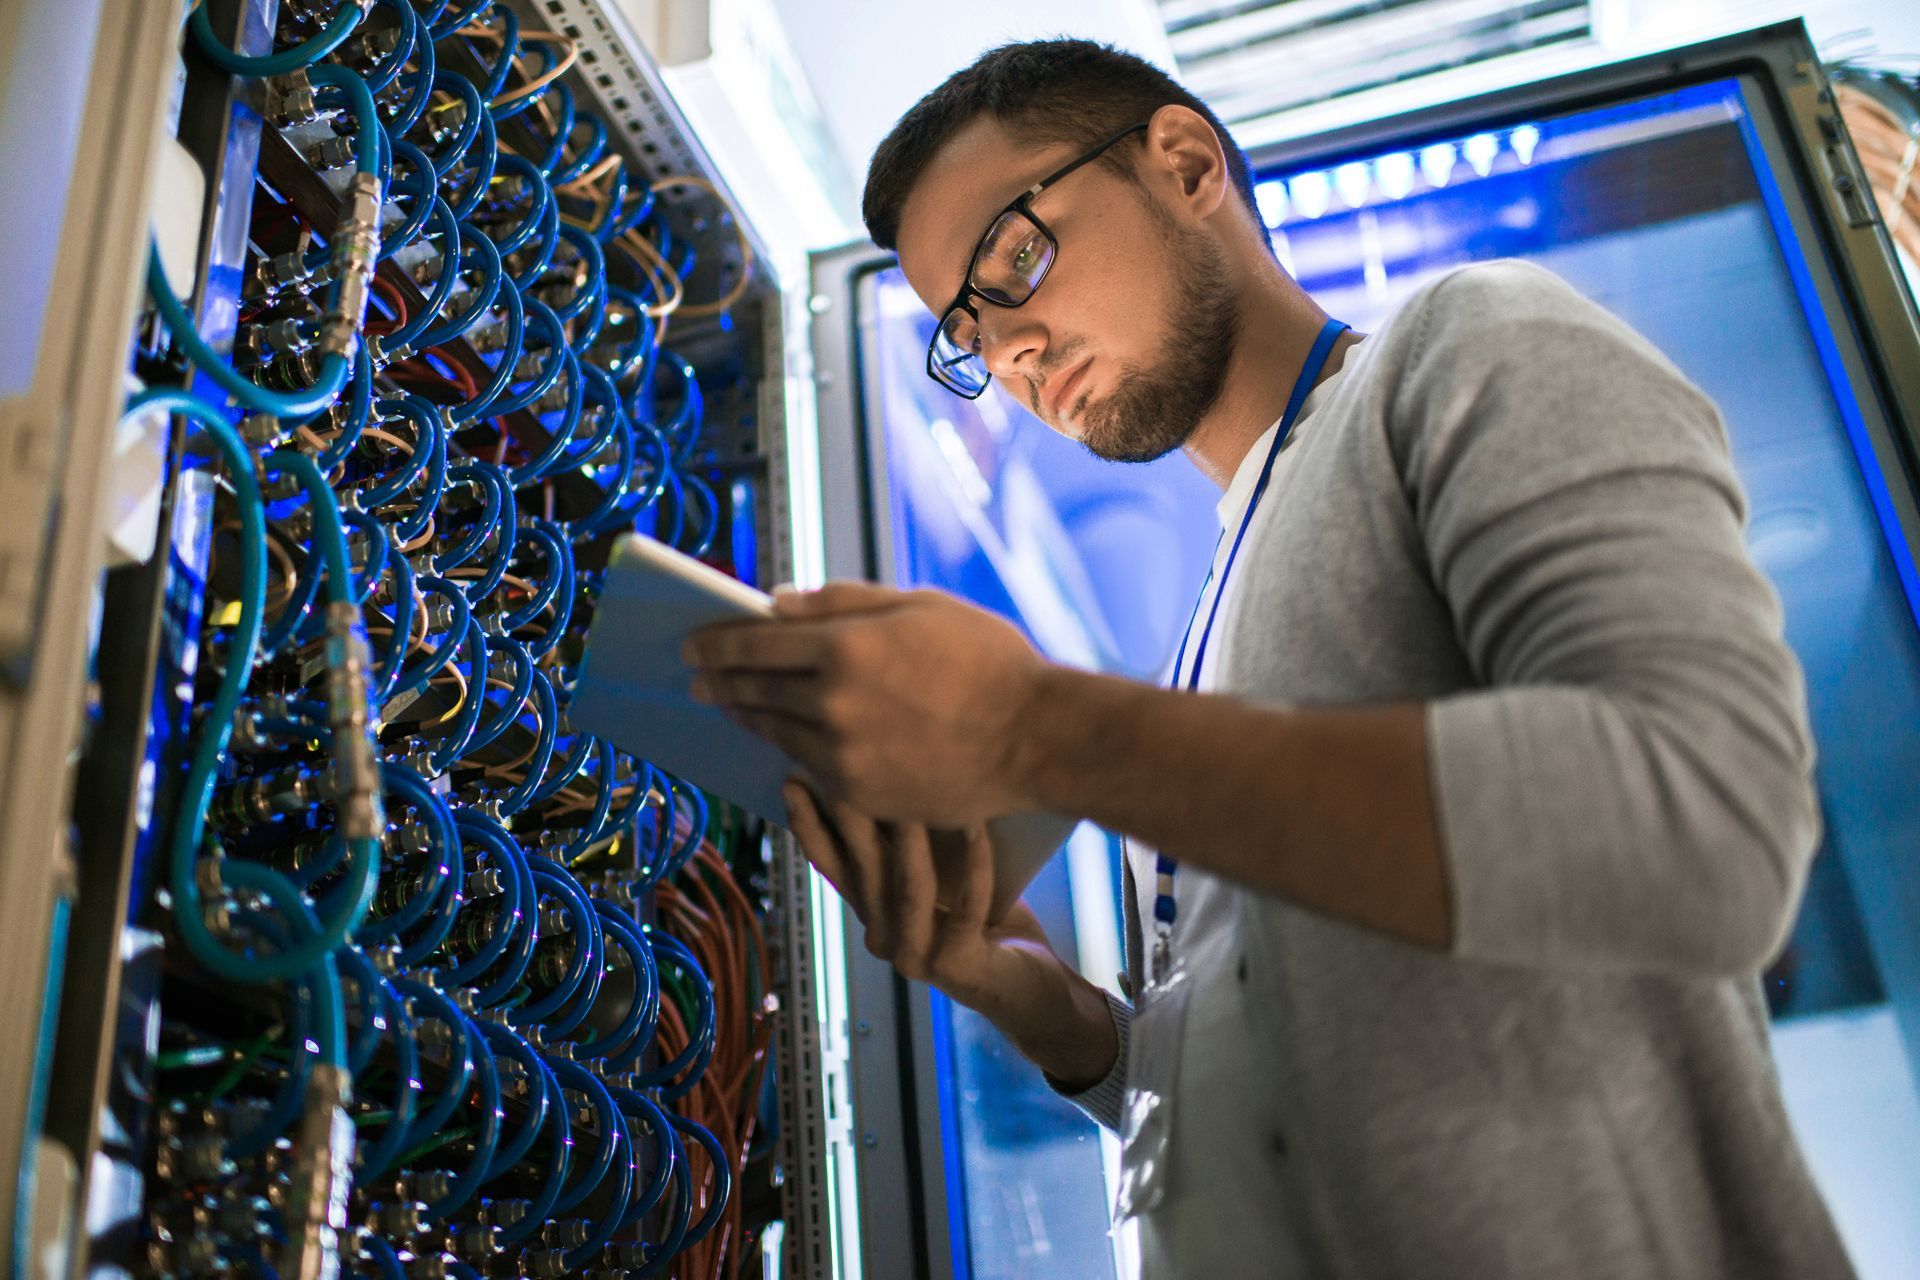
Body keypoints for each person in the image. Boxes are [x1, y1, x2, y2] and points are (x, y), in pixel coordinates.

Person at [682, 37, 1857, 1280]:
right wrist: (1049, 1007)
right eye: (966, 332)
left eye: (1014, 257)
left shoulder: (1468, 345)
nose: (1010, 352)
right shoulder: (1203, 631)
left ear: (1186, 164)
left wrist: (1040, 727)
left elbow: (1703, 822)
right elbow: (1273, 1094)